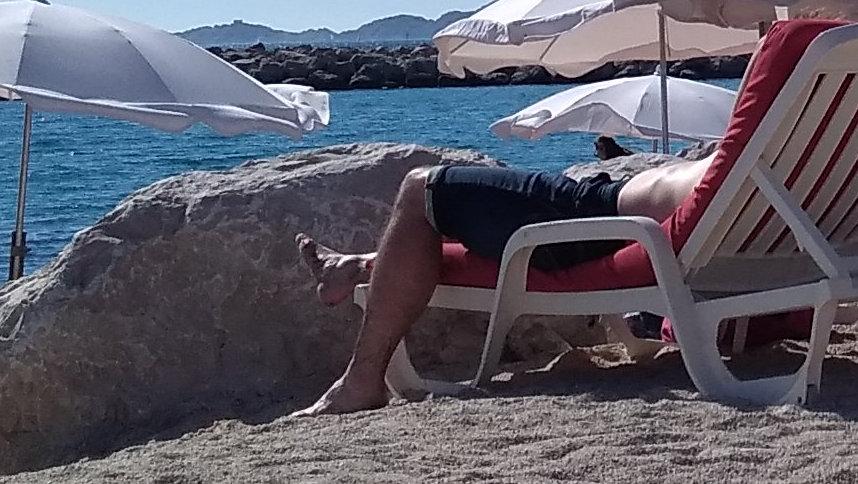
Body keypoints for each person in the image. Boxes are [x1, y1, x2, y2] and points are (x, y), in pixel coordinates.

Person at [293, 147, 714, 414]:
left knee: (422, 189)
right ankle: (361, 263)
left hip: (598, 220)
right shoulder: (753, 164)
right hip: (614, 216)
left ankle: (362, 381)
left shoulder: (752, 136)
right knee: (447, 213)